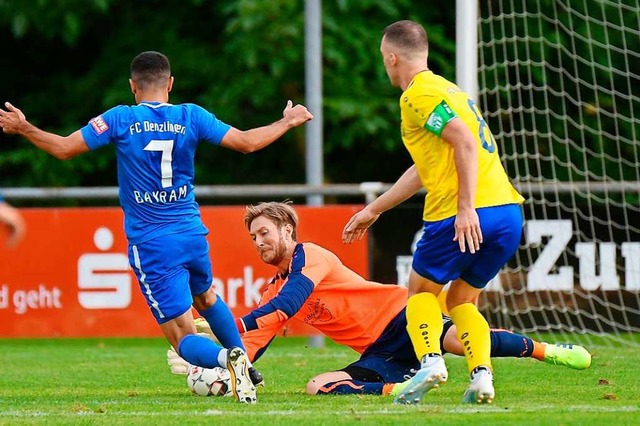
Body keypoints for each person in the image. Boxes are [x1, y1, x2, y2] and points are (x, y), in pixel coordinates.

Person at [0, 51, 313, 404]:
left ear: (133, 86)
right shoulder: (191, 116)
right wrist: (286, 122)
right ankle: (249, 368)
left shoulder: (120, 119)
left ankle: (228, 359)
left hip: (152, 242)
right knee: (206, 298)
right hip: (192, 233)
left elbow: (64, 149)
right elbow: (246, 143)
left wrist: (23, 127)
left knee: (182, 337)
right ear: (171, 83)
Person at [167, 202, 590, 397]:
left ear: (287, 230)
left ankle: (548, 350)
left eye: (265, 232)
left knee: (457, 341)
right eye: (253, 237)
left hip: (398, 313)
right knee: (319, 386)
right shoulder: (268, 292)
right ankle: (404, 388)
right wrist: (217, 365)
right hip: (377, 351)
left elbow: (291, 302)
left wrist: (227, 324)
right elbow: (250, 351)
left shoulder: (311, 256)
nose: (259, 242)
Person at [341, 20, 525, 404]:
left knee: (420, 292)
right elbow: (423, 169)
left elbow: (464, 142)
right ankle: (481, 377)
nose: (384, 65)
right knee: (461, 300)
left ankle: (430, 362)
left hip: (466, 212)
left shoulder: (417, 95)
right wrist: (374, 209)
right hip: (507, 213)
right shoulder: (449, 90)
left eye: (383, 58)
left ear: (392, 58)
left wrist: (465, 208)